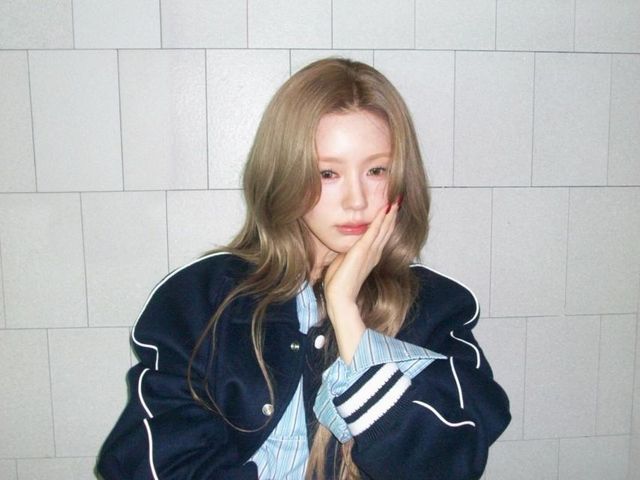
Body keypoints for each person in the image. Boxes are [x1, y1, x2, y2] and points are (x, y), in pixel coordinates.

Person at [97, 57, 510, 480]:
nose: (356, 200)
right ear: (285, 174)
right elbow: (152, 462)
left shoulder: (438, 308)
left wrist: (346, 313)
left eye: (376, 170)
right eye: (327, 173)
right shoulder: (201, 298)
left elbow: (443, 464)